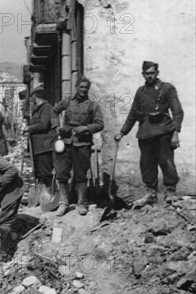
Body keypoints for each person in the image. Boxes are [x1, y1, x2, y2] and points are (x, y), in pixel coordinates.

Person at [114, 61, 184, 206]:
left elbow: (177, 112)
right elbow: (133, 113)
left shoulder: (167, 89)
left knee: (167, 163)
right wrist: (122, 132)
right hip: (145, 134)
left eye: (152, 73)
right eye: (147, 74)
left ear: (157, 73)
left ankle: (170, 192)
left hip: (164, 132)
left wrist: (175, 132)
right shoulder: (141, 91)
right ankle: (150, 194)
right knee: (147, 165)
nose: (149, 76)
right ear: (143, 74)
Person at [51, 77, 104, 216]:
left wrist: (86, 128)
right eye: (81, 87)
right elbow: (54, 111)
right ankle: (64, 202)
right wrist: (57, 127)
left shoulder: (93, 106)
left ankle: (81, 203)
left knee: (81, 175)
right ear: (76, 87)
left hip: (83, 144)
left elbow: (100, 124)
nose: (84, 90)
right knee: (62, 173)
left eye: (86, 87)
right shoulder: (67, 101)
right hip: (66, 142)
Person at [22, 84, 57, 194]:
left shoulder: (47, 108)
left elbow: (43, 125)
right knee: (40, 174)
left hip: (45, 146)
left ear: (36, 96)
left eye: (32, 98)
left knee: (46, 173)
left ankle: (51, 194)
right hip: (38, 147)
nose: (31, 100)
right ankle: (43, 195)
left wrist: (29, 128)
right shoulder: (37, 110)